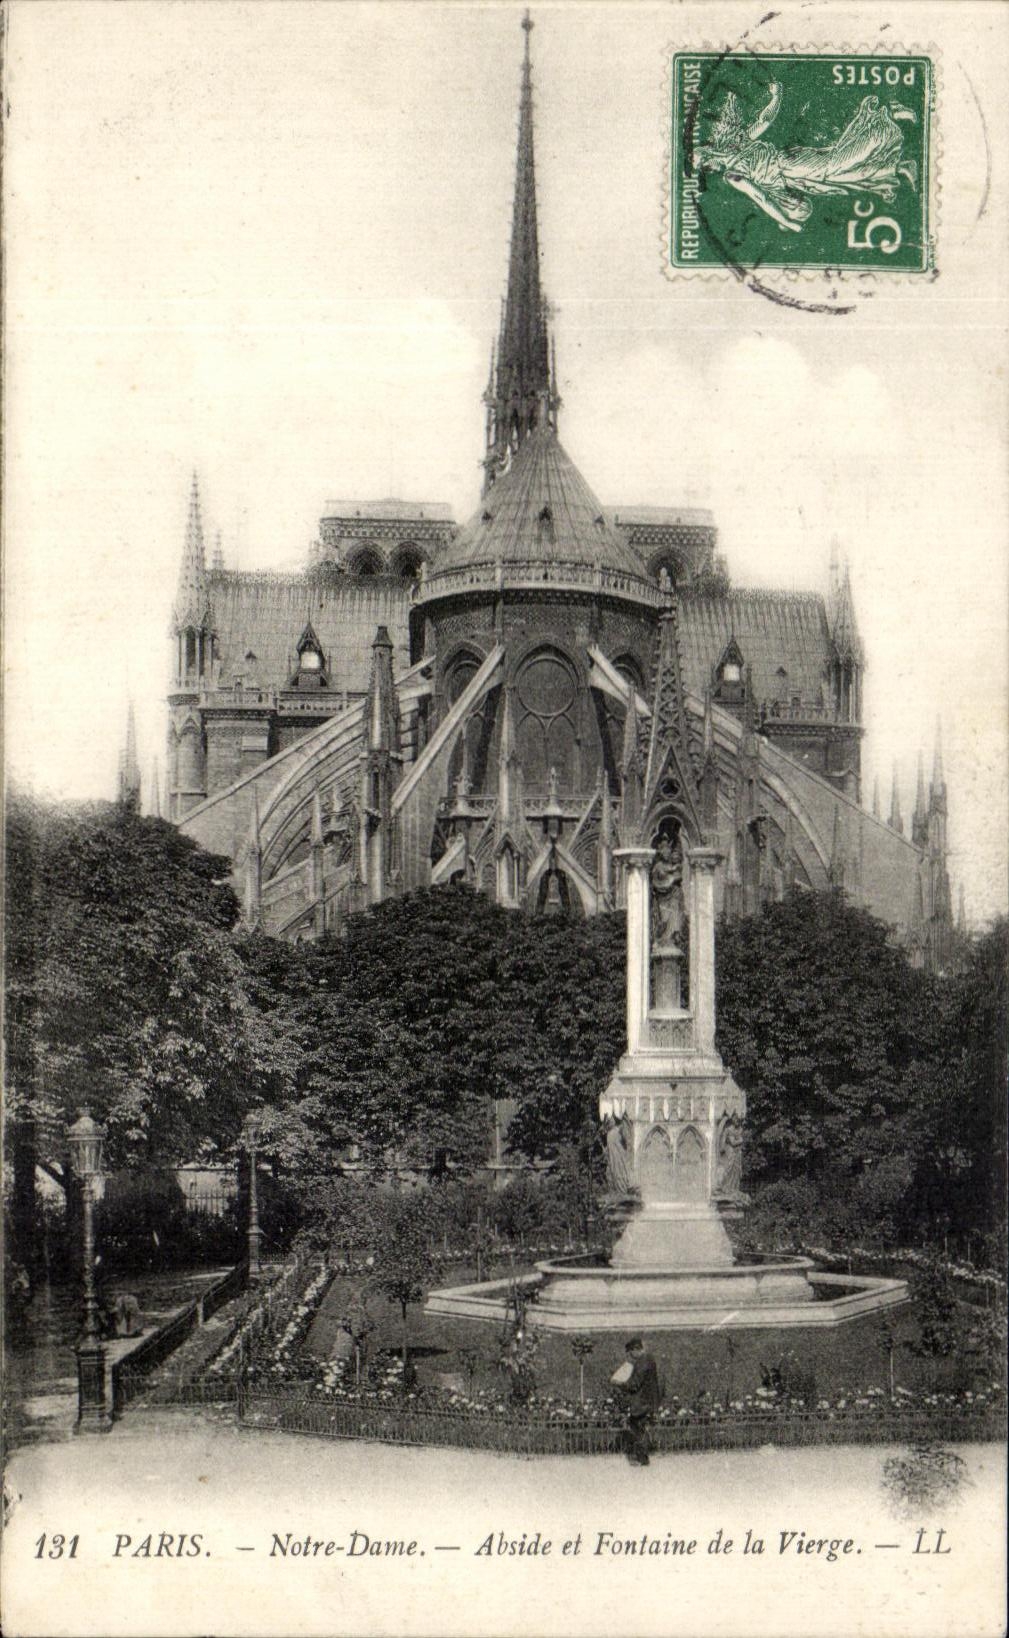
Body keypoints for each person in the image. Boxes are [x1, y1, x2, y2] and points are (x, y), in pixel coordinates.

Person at [616, 1337, 662, 1467]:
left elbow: (635, 1384)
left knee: (638, 1428)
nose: (631, 1357)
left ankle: (642, 1458)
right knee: (638, 1426)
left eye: (631, 1353)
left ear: (636, 1349)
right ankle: (642, 1456)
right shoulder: (649, 1358)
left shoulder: (642, 1361)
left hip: (642, 1401)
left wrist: (620, 1383)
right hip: (648, 1399)